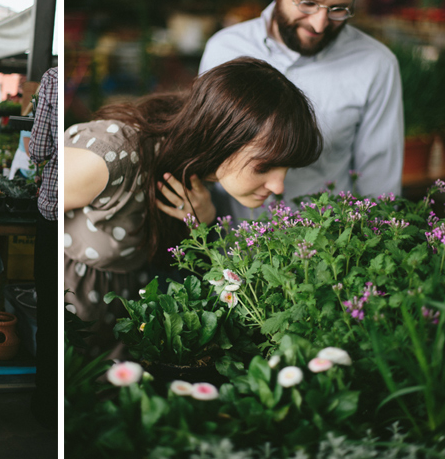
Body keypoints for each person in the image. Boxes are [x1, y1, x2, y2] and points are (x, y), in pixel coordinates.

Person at [64, 57, 323, 354]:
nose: (279, 187)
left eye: (286, 168)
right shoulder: (112, 157)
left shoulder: (198, 173)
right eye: (264, 167)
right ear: (221, 138)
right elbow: (41, 208)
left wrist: (204, 223)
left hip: (118, 336)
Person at [199, 0, 404, 223]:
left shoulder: (376, 65)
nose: (320, 24)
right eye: (307, 3)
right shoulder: (224, 49)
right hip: (233, 254)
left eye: (339, 9)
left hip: (328, 258)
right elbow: (206, 157)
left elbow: (379, 189)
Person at [28, 67, 58, 429]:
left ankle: (46, 402)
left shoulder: (53, 77)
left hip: (53, 214)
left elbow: (38, 150)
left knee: (49, 311)